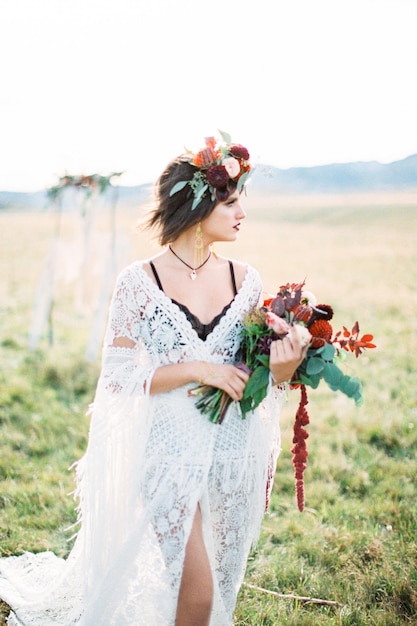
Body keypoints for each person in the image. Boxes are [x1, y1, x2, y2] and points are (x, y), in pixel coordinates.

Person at [0, 134, 307, 625]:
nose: (241, 213)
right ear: (195, 205)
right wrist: (198, 368)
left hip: (228, 452)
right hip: (166, 453)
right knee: (197, 591)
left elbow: (254, 379)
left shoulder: (247, 281)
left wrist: (285, 369)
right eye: (230, 202)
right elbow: (118, 380)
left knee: (213, 585)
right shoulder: (137, 284)